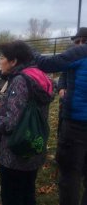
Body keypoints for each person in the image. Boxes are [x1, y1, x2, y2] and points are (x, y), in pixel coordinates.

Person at [0, 40, 53, 205]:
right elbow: (26, 105)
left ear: (13, 61)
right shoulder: (38, 75)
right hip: (33, 145)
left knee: (12, 197)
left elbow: (10, 123)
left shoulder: (20, 81)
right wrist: (6, 100)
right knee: (27, 193)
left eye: (2, 57)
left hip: (15, 154)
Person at [34, 27, 87, 205]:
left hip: (77, 125)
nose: (78, 44)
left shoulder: (80, 53)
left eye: (82, 40)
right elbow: (64, 74)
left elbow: (47, 64)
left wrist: (30, 51)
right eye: (76, 41)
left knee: (70, 175)